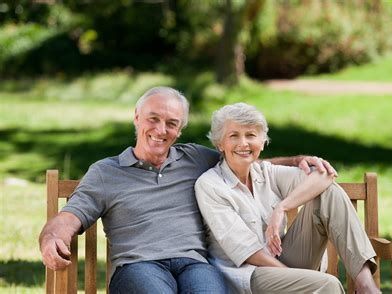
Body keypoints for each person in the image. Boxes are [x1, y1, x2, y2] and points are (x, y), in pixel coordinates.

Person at [39, 87, 336, 294]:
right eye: (153, 119)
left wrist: (295, 161)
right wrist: (53, 237)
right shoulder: (106, 172)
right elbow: (71, 215)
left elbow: (242, 157)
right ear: (137, 118)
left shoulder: (195, 159)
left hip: (195, 265)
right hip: (138, 267)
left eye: (172, 123)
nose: (161, 129)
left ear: (180, 130)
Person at [195, 102, 380, 294]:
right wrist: (298, 278)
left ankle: (366, 284)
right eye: (234, 136)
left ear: (262, 142)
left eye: (251, 135)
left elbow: (323, 175)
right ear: (220, 144)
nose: (243, 143)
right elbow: (249, 253)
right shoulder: (210, 185)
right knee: (328, 284)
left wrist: (281, 207)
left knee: (327, 194)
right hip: (249, 275)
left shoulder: (267, 173)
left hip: (283, 260)